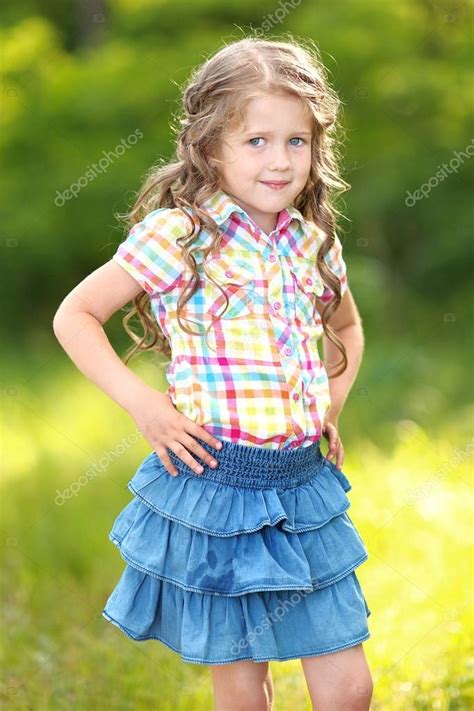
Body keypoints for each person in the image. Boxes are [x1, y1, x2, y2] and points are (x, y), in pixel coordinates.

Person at [53, 35, 373, 711]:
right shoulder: (178, 235)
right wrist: (144, 405)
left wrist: (331, 405)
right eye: (257, 140)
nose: (280, 159)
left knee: (349, 688)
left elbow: (346, 327)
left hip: (303, 486)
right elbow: (76, 315)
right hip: (218, 490)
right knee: (243, 694)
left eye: (296, 141)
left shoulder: (315, 242)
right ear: (210, 148)